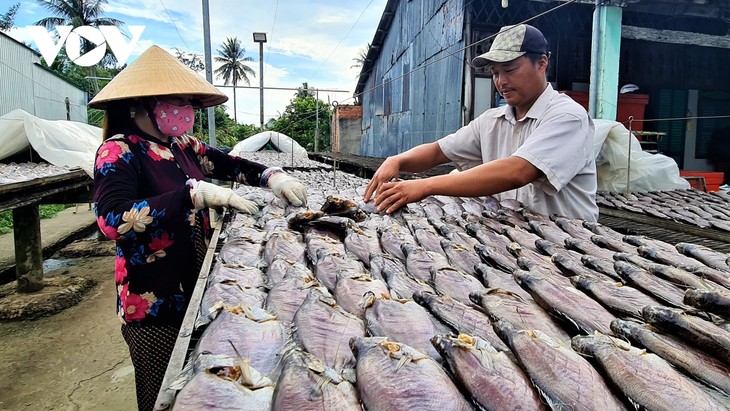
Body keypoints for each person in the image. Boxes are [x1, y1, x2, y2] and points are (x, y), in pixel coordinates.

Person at [90, 45, 307, 410]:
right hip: (153, 299)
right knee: (162, 391)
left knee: (204, 381)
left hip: (199, 286)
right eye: (175, 100)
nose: (184, 109)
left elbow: (229, 163)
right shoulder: (119, 151)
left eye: (188, 101)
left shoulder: (183, 145)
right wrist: (188, 196)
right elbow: (110, 220)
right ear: (137, 105)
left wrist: (271, 176)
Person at [364, 24, 598, 222]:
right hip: (517, 236)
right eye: (495, 73)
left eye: (510, 69)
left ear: (542, 63)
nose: (501, 81)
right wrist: (398, 160)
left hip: (570, 241)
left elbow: (518, 171)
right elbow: (439, 151)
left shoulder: (568, 116)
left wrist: (425, 186)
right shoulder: (491, 121)